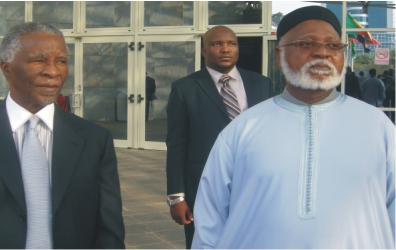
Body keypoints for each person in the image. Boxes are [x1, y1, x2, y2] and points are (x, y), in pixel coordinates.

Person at [192, 6, 394, 249]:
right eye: (307, 44)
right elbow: (210, 217)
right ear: (279, 55)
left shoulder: (377, 126)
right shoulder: (243, 128)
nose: (322, 53)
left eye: (333, 45)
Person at [0, 22, 125, 249]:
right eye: (38, 60)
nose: (53, 71)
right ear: (6, 68)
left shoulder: (95, 139)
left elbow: (109, 228)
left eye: (61, 61)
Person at [166, 25, 273, 248]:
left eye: (231, 44)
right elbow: (177, 145)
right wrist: (176, 197)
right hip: (205, 188)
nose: (225, 49)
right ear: (204, 51)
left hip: (255, 185)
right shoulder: (185, 88)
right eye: (217, 44)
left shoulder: (263, 85)